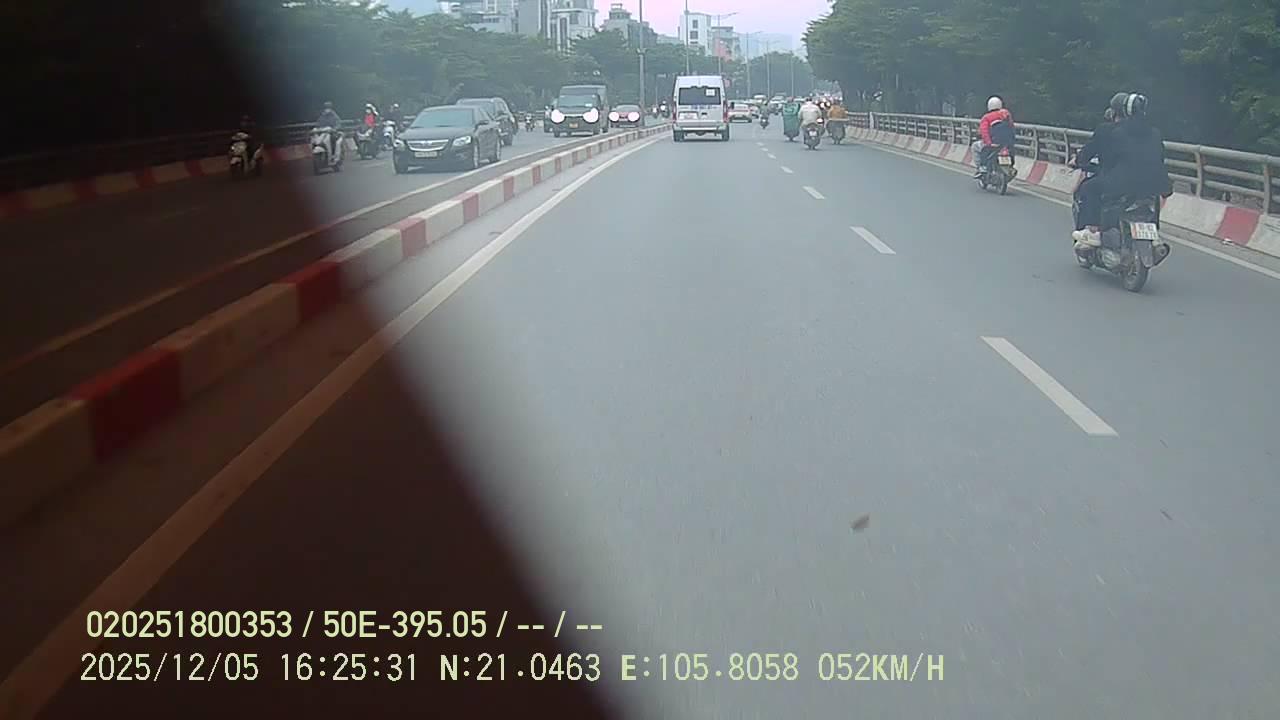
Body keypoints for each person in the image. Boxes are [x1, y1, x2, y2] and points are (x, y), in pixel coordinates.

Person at [1073, 93, 1174, 249]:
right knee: (1153, 197)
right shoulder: (1155, 133)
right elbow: (1160, 158)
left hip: (1121, 183)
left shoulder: (1114, 132)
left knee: (1089, 188)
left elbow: (1109, 159)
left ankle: (1093, 230)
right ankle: (1154, 233)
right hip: (1156, 184)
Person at [1068, 94, 1126, 234]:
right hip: (1142, 184)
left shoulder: (1106, 130)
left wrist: (1077, 161)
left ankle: (1092, 229)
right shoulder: (1149, 132)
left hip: (1113, 180)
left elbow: (1088, 152)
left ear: (1113, 112)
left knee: (1088, 188)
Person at [973, 96, 1014, 178]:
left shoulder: (986, 117)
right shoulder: (1006, 114)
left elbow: (984, 132)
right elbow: (1011, 127)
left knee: (975, 146)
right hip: (1007, 143)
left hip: (993, 143)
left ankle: (981, 168)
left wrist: (989, 143)